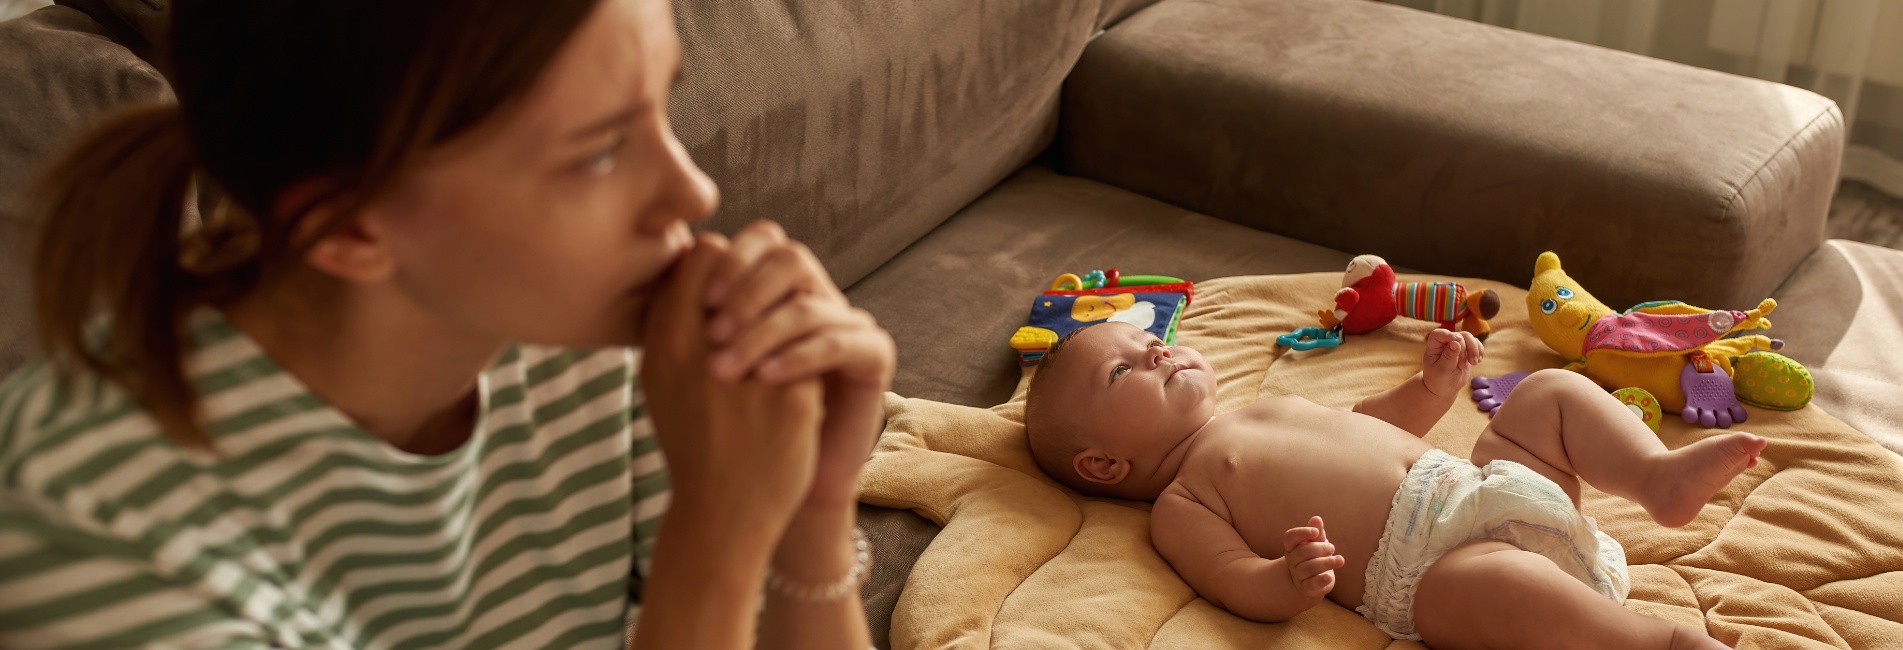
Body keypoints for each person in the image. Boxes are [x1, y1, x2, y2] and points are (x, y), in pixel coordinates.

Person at [0, 0, 892, 647]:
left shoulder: (591, 344)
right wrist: (719, 536)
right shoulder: (81, 531)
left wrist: (805, 513)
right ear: (348, 229)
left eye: (664, 104)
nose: (694, 192)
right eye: (600, 152)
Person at [1023, 322, 1765, 649]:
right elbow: (1230, 581)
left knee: (1542, 397)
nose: (1156, 350)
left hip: (1484, 486)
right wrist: (1287, 578)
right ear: (1103, 466)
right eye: (1123, 369)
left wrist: (1431, 389)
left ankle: (1656, 476)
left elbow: (1373, 423)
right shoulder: (1183, 503)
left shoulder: (1263, 405)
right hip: (1433, 569)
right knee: (1497, 587)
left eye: (1148, 341)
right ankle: (1657, 643)